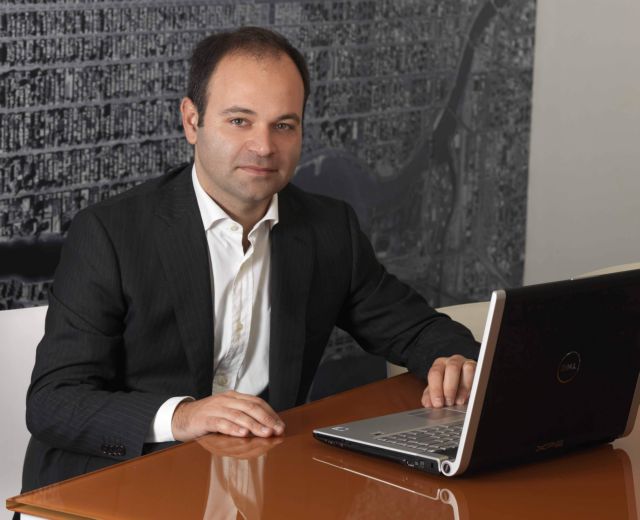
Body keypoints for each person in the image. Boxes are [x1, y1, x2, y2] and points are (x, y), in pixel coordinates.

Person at [21, 27, 479, 492]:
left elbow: (416, 329)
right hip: (117, 483)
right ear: (192, 121)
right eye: (240, 121)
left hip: (256, 480)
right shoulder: (110, 234)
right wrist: (184, 415)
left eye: (284, 125)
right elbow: (54, 401)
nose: (264, 147)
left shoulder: (328, 229)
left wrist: (453, 359)